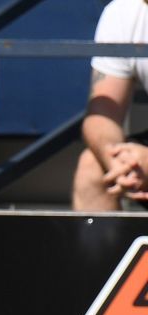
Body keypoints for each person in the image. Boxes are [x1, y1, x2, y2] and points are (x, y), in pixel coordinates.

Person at [75, 0, 148, 212]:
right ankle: (101, 247)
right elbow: (102, 114)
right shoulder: (124, 11)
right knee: (92, 167)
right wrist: (120, 163)